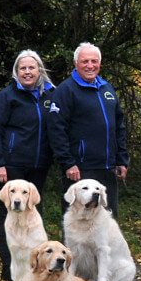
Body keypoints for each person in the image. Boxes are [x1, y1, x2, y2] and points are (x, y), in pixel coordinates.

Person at [0, 49, 56, 281]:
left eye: (31, 67)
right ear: (16, 72)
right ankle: (10, 270)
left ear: (39, 70)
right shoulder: (6, 97)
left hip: (39, 165)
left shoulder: (50, 96)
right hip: (11, 165)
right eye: (22, 68)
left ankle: (37, 268)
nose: (27, 72)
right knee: (8, 214)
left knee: (35, 211)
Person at [49, 43, 128, 216]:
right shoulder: (66, 90)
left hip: (107, 166)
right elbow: (56, 129)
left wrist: (121, 159)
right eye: (85, 61)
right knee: (78, 221)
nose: (90, 65)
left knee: (108, 218)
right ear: (76, 63)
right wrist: (68, 162)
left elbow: (118, 126)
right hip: (80, 169)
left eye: (94, 61)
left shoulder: (107, 89)